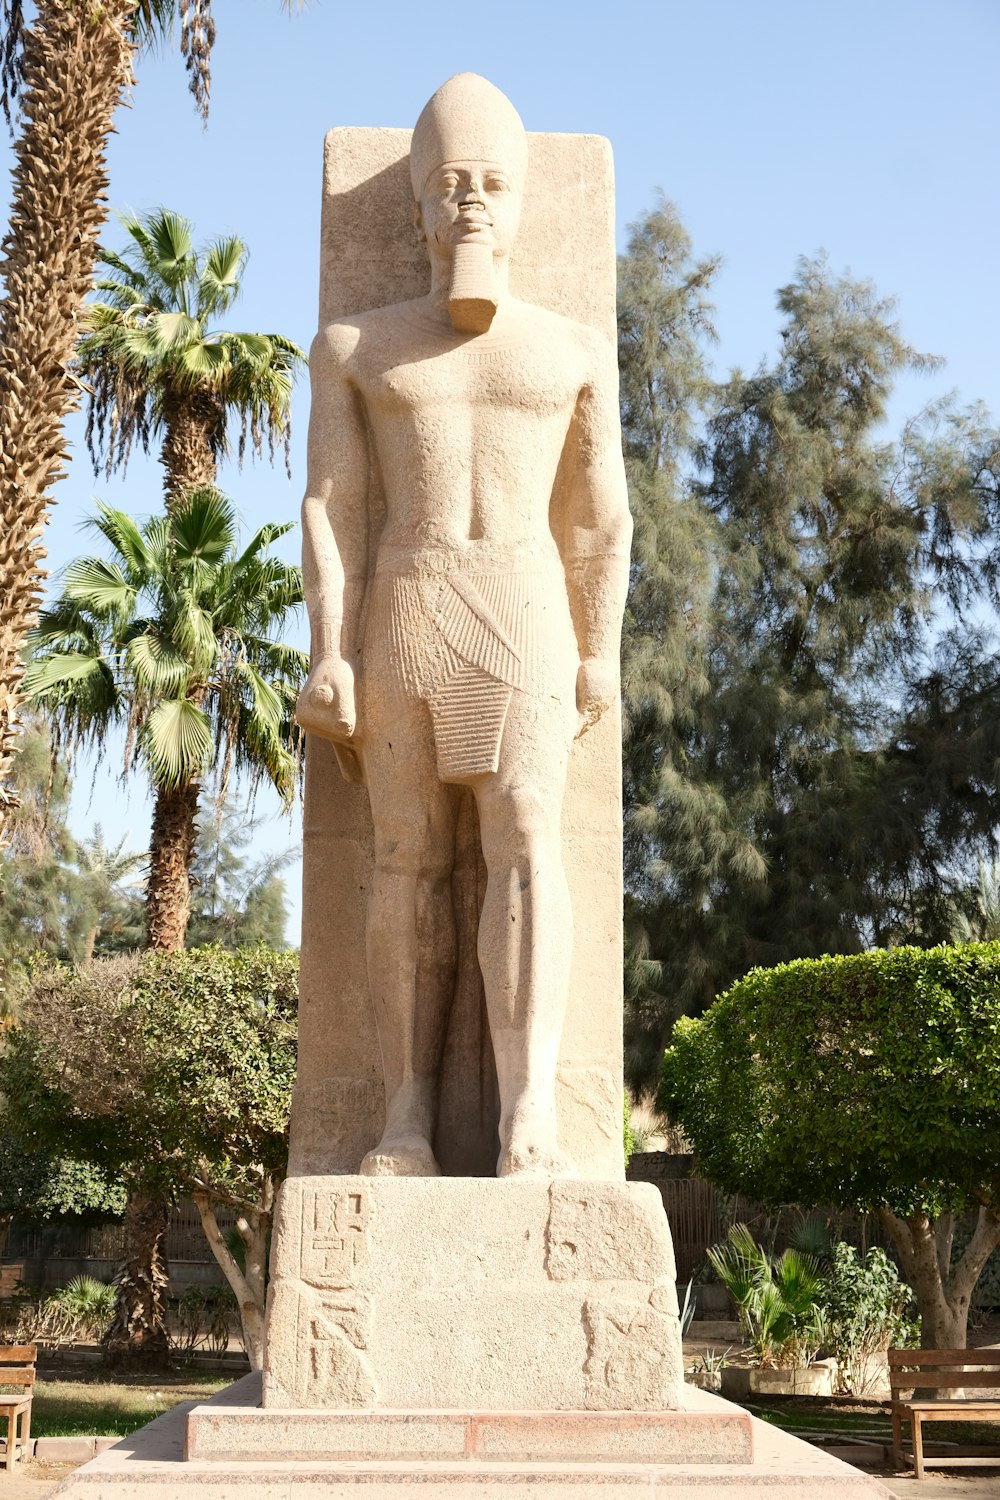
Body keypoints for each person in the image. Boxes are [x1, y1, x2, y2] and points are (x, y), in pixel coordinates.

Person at [296, 73, 631, 1178]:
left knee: (529, 833)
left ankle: (528, 1108)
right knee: (405, 859)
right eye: (450, 185)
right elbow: (334, 507)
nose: (472, 201)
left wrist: (600, 653)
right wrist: (327, 652)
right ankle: (404, 1115)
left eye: (491, 182)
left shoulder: (570, 349)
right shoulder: (356, 344)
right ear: (421, 214)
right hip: (408, 600)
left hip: (526, 602)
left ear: (521, 201)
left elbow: (600, 521)